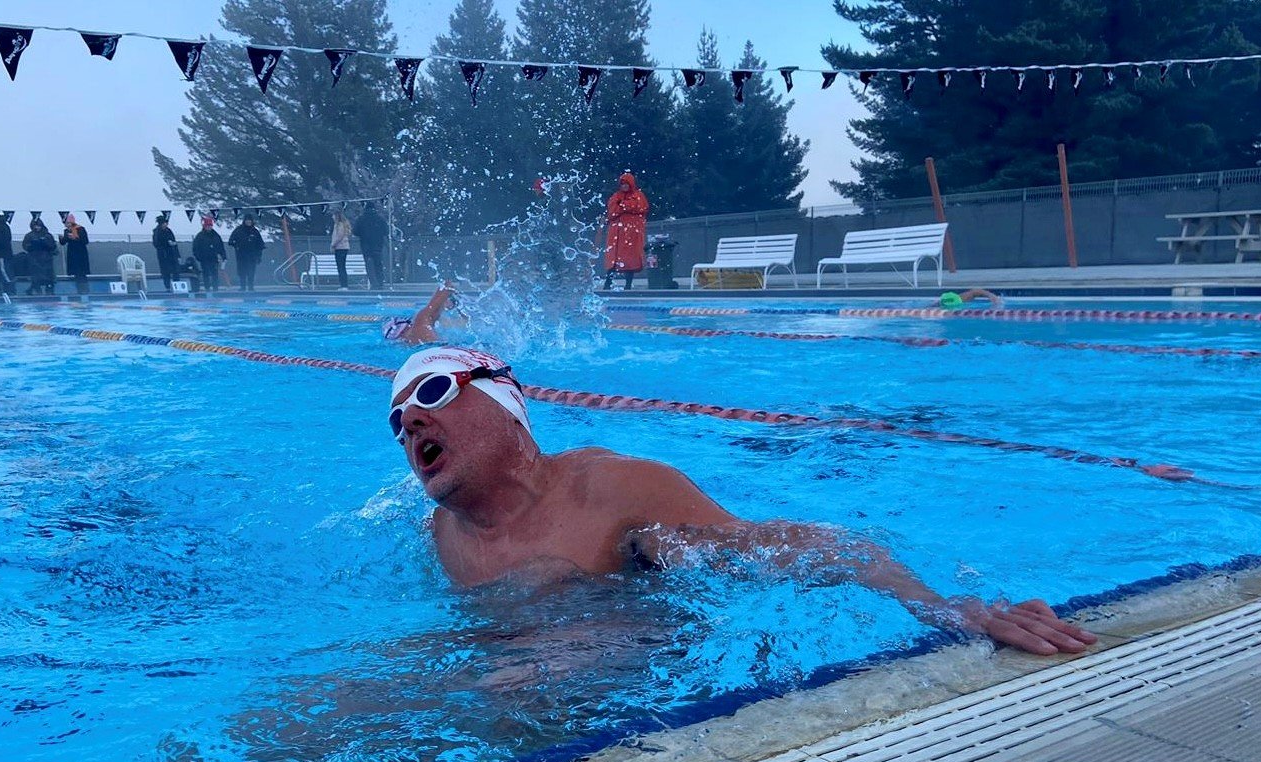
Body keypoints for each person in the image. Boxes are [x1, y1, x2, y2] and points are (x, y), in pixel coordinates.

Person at [388, 346, 1100, 656]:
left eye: (430, 394)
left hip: (630, 656)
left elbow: (797, 547)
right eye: (397, 420)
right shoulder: (436, 536)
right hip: (509, 672)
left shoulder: (615, 492)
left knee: (521, 675)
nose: (411, 421)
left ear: (509, 407)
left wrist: (939, 604)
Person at [602, 171, 648, 291]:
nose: (624, 186)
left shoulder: (638, 196)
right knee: (614, 259)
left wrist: (622, 206)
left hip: (631, 234)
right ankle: (608, 284)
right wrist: (626, 207)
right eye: (622, 184)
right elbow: (612, 212)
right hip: (617, 234)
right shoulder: (616, 196)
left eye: (627, 184)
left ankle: (628, 285)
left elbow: (640, 207)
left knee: (630, 259)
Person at [384, 282, 457, 344]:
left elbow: (434, 315)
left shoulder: (406, 344)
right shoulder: (418, 325)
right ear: (405, 329)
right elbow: (446, 287)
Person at [354, 201, 389, 290]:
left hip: (366, 245)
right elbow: (386, 231)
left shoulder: (361, 219)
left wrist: (364, 233)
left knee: (369, 266)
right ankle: (380, 283)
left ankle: (374, 283)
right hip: (378, 245)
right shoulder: (380, 219)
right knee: (378, 265)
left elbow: (355, 232)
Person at [228, 215, 265, 291]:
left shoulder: (255, 231)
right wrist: (237, 246)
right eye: (247, 220)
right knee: (242, 272)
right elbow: (231, 241)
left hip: (252, 256)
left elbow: (260, 245)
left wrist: (259, 256)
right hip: (241, 256)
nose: (248, 222)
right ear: (244, 221)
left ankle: (251, 287)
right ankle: (243, 287)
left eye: (250, 221)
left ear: (252, 222)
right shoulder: (238, 230)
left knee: (251, 272)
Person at [22, 217, 58, 296]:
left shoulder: (47, 235)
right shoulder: (29, 236)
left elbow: (53, 246)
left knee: (49, 279)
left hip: (46, 260)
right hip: (34, 260)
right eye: (35, 226)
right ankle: (38, 292)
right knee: (36, 279)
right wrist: (32, 246)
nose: (37, 227)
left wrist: (45, 243)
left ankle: (50, 292)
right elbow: (25, 246)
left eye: (38, 226)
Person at [191, 215, 226, 297]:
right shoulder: (200, 236)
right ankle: (207, 288)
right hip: (204, 259)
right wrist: (199, 257)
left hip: (214, 258)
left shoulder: (216, 236)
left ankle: (215, 288)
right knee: (206, 273)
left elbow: (221, 247)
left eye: (210, 226)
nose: (209, 227)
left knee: (214, 274)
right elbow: (195, 248)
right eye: (207, 226)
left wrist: (223, 256)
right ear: (204, 226)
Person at [60, 213, 91, 297]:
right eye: (66, 224)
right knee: (76, 274)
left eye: (68, 223)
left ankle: (85, 290)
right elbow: (63, 242)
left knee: (82, 273)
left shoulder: (80, 229)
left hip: (81, 253)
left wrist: (75, 238)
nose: (67, 225)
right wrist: (61, 239)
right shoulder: (66, 231)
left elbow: (85, 241)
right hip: (72, 253)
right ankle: (79, 291)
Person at [152, 214, 180, 292]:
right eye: (164, 223)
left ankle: (177, 286)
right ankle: (167, 287)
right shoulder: (157, 232)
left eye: (166, 223)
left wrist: (178, 255)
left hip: (172, 254)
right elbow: (156, 244)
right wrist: (167, 243)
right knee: (165, 272)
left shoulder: (169, 231)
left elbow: (175, 242)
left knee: (176, 270)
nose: (165, 225)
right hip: (163, 255)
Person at [330, 207, 353, 290]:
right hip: (343, 247)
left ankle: (344, 285)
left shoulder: (339, 225)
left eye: (333, 215)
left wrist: (333, 245)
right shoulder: (343, 224)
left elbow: (339, 236)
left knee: (341, 267)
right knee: (341, 266)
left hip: (340, 248)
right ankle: (343, 285)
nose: (332, 217)